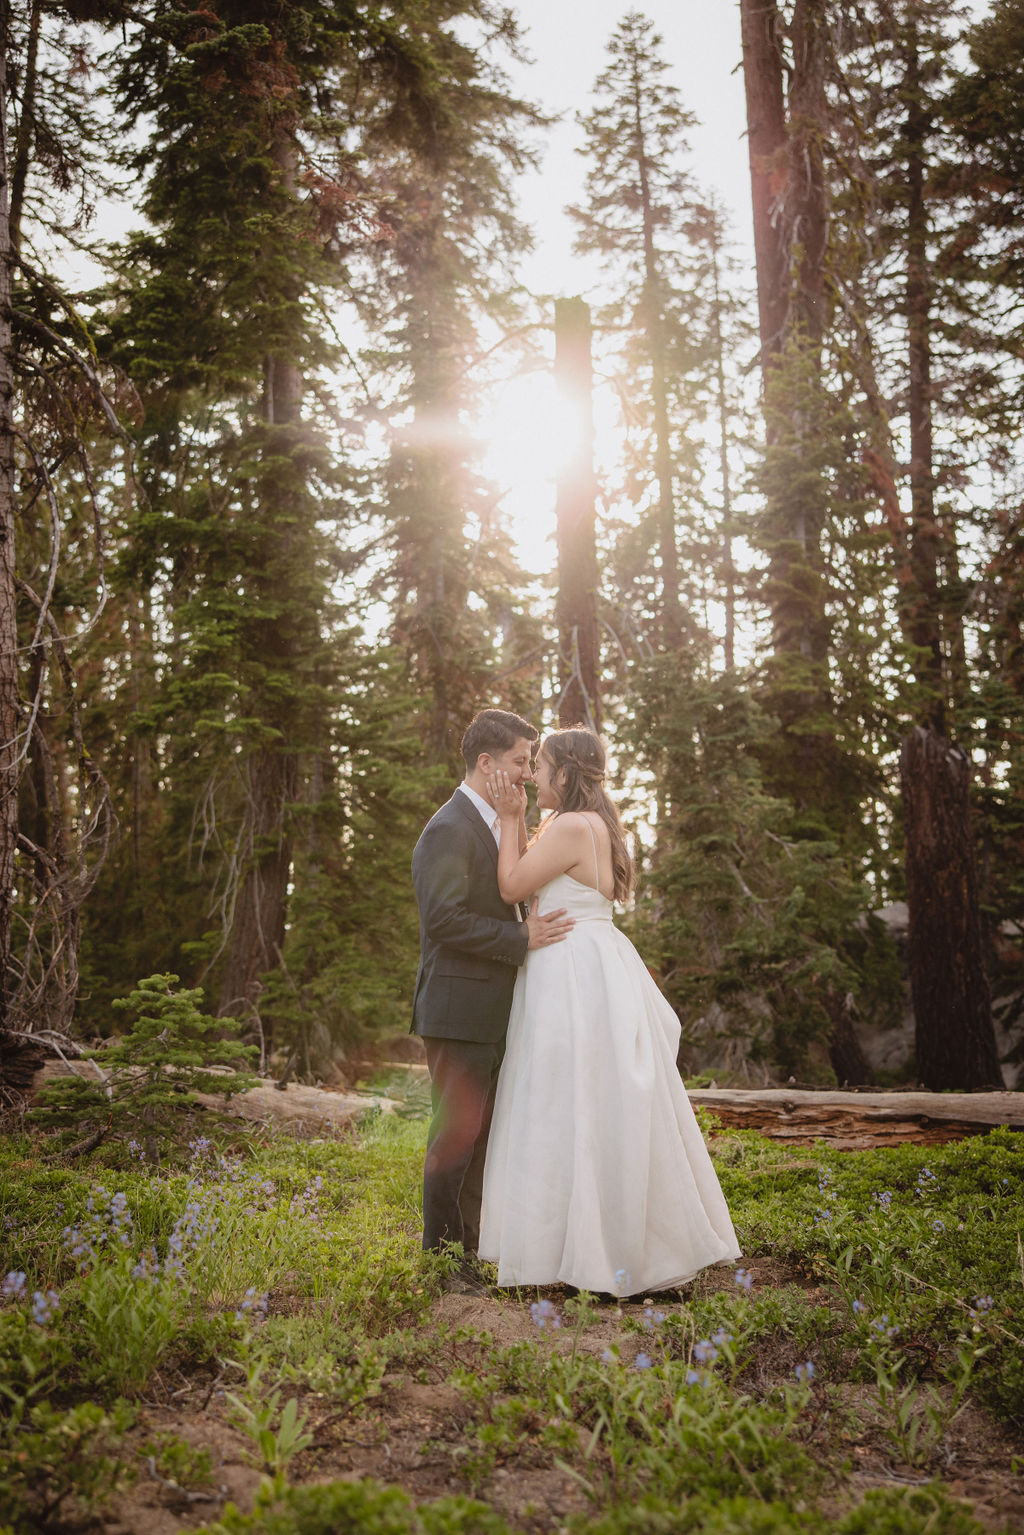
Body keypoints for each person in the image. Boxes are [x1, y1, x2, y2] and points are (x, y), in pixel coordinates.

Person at [478, 726, 740, 1296]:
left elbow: (510, 885)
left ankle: (584, 1252)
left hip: (572, 973)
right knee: (593, 1104)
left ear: (565, 775)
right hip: (593, 963)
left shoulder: (571, 825)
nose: (532, 776)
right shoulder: (593, 823)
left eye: (541, 767)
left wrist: (507, 815)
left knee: (563, 1101)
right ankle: (601, 1246)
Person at [411, 709, 575, 1289]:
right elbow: (444, 921)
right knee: (454, 1135)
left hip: (490, 1010)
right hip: (458, 1009)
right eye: (519, 761)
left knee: (480, 1135)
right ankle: (439, 1263)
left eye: (530, 762)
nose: (529, 773)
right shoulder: (449, 828)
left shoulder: (494, 823)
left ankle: (469, 1252)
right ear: (487, 764)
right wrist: (520, 937)